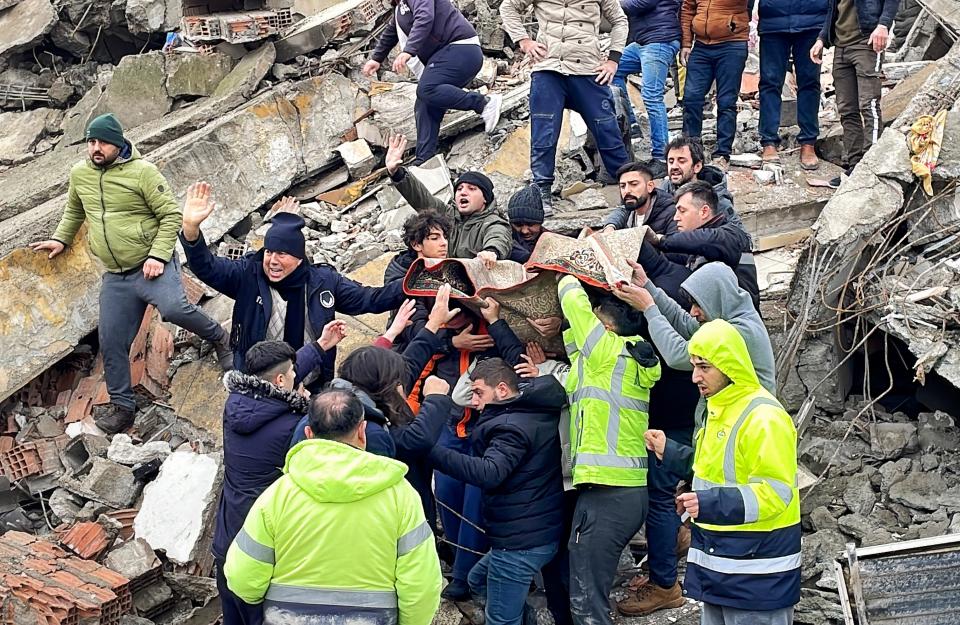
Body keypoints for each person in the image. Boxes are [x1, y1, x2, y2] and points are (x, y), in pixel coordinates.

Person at [31, 114, 232, 435]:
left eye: (102, 142)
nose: (95, 148)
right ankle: (123, 406)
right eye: (91, 142)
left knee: (174, 308)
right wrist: (61, 237)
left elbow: (170, 216)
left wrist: (156, 255)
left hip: (154, 263)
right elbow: (75, 210)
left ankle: (220, 338)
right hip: (116, 274)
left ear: (119, 143)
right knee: (110, 340)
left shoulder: (143, 173)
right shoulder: (80, 174)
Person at [224, 388, 443, 625]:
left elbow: (242, 578)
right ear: (362, 431)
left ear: (308, 434)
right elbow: (422, 585)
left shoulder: (279, 495)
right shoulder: (401, 496)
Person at [646, 319, 800, 625]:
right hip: (722, 567)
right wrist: (671, 453)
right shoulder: (719, 409)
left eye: (704, 367)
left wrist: (709, 503)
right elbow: (713, 470)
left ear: (728, 365)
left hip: (756, 576)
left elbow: (776, 493)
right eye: (693, 366)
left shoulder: (764, 417)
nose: (694, 377)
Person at [178, 181, 404, 380]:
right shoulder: (248, 275)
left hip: (311, 384)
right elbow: (206, 267)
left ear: (298, 258)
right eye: (269, 252)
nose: (272, 261)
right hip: (257, 382)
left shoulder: (323, 282)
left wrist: (412, 283)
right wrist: (191, 230)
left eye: (282, 254)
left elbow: (371, 299)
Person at [214, 334, 343, 625]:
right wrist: (306, 406)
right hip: (264, 547)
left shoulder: (235, 404)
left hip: (227, 539)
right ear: (283, 382)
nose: (298, 376)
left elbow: (274, 377)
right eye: (294, 373)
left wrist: (320, 346)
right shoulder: (294, 426)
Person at [429, 358, 567, 625]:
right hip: (535, 531)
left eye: (479, 393)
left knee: (500, 619)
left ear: (502, 390)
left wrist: (430, 451)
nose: (474, 401)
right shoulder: (529, 410)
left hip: (520, 541)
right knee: (477, 580)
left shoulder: (510, 427)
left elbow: (490, 473)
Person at [557, 274, 661, 625]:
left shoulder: (607, 351)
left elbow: (573, 305)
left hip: (609, 490)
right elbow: (574, 353)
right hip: (622, 487)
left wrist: (566, 274)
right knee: (589, 584)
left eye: (597, 321)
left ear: (609, 330)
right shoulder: (615, 361)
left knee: (588, 597)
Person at [500, 0, 631, 211]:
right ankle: (542, 190)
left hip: (588, 68)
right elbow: (508, 7)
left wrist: (613, 60)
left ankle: (629, 185)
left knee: (607, 128)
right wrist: (524, 41)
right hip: (549, 67)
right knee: (544, 131)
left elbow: (619, 20)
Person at [614, 261, 776, 427]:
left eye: (698, 304)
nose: (693, 312)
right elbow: (685, 323)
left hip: (747, 425)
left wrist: (649, 308)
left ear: (717, 298)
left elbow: (677, 356)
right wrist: (647, 286)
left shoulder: (737, 331)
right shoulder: (730, 313)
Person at [362, 0, 502, 165]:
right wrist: (377, 58)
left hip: (461, 48)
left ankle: (484, 103)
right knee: (425, 102)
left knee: (426, 89)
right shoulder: (401, 8)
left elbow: (425, 17)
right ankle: (424, 160)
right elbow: (392, 32)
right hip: (447, 55)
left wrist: (408, 51)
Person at [385, 135, 512, 267]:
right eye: (460, 189)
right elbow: (420, 197)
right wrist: (397, 173)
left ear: (485, 198)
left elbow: (499, 237)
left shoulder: (493, 222)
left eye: (472, 189)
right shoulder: (446, 213)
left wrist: (492, 251)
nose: (463, 192)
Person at [810, 0, 898, 188]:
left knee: (869, 104)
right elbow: (833, 9)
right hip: (841, 47)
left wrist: (883, 25)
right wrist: (822, 39)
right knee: (847, 109)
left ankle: (871, 166)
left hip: (866, 42)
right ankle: (855, 165)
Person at [645, 180, 759, 309]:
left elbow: (708, 239)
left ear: (704, 211)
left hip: (739, 324)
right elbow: (668, 260)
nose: (676, 217)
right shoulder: (697, 248)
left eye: (682, 211)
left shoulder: (732, 235)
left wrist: (661, 240)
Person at [680, 0, 755, 168]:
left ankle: (722, 153)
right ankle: (692, 149)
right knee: (691, 97)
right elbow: (687, 9)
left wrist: (733, 24)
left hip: (732, 43)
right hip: (700, 45)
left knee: (726, 101)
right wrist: (686, 42)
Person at [613, 0, 683, 177]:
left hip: (660, 39)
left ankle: (661, 156)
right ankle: (632, 124)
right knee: (612, 70)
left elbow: (640, 3)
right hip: (643, 41)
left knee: (652, 96)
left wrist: (608, 3)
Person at [757, 0, 829, 170]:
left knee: (810, 82)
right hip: (773, 21)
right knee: (770, 82)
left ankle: (808, 142)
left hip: (812, 20)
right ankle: (768, 141)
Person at [660, 136, 738, 223]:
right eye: (671, 161)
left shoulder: (716, 199)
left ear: (697, 166)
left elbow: (740, 235)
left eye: (681, 161)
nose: (674, 166)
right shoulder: (665, 189)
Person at [600, 161, 679, 235]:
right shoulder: (628, 212)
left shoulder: (671, 213)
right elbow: (620, 211)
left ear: (650, 186)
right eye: (623, 186)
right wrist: (609, 227)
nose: (627, 191)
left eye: (634, 184)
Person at [507, 184, 548, 263]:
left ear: (540, 222)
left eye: (530, 224)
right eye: (518, 225)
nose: (524, 231)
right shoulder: (504, 239)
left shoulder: (552, 242)